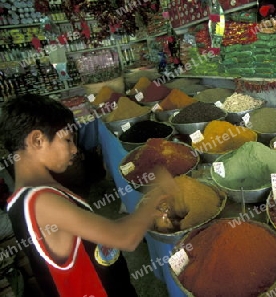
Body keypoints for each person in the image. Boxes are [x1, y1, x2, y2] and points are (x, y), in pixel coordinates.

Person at [0, 94, 173, 297]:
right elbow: (125, 238)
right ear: (37, 140)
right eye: (67, 140)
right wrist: (158, 190)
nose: (74, 149)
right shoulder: (42, 202)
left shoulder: (20, 200)